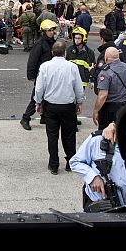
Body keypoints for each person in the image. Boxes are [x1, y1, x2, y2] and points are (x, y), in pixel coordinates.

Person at [34, 40, 86, 174]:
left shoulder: (45, 66)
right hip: (68, 105)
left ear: (52, 52)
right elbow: (78, 87)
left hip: (50, 105)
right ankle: (70, 162)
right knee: (69, 135)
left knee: (52, 136)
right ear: (65, 53)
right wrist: (79, 102)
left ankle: (54, 164)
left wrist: (38, 102)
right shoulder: (72, 67)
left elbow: (39, 88)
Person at [70, 117, 126, 212]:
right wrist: (92, 177)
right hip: (100, 206)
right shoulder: (97, 141)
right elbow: (75, 162)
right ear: (116, 128)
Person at [19, 19, 58, 131]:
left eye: (52, 30)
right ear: (44, 31)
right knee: (36, 98)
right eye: (49, 30)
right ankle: (25, 118)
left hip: (49, 75)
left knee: (47, 97)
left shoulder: (51, 42)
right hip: (41, 76)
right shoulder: (40, 44)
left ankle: (44, 117)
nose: (51, 32)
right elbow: (32, 60)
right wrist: (31, 76)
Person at [92, 47, 126, 131]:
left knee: (106, 135)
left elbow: (102, 95)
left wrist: (96, 110)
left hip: (109, 111)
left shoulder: (105, 72)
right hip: (125, 106)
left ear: (106, 57)